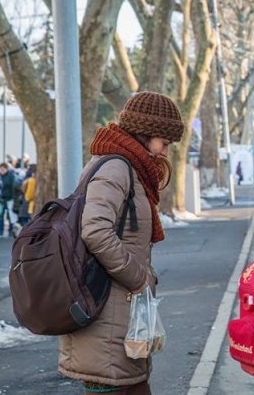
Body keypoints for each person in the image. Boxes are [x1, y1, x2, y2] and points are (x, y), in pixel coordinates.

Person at [58, 91, 184, 395]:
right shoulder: (117, 168)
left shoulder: (131, 168)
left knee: (133, 386)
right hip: (107, 311)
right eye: (164, 143)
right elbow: (95, 230)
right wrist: (139, 278)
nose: (166, 152)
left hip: (120, 313)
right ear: (145, 134)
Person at [0, 162, 20, 238]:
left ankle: (10, 230)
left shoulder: (11, 176)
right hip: (1, 199)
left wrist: (13, 198)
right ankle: (0, 231)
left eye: (3, 169)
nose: (1, 171)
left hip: (9, 198)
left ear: (6, 169)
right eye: (0, 169)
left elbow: (14, 187)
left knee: (10, 216)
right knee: (1, 215)